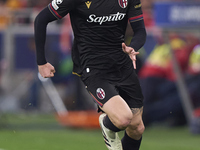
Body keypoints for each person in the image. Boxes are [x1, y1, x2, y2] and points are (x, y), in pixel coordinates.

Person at [34, 0, 146, 150]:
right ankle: (107, 124)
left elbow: (140, 30)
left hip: (121, 65)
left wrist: (133, 47)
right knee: (123, 119)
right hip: (93, 67)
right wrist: (42, 62)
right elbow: (41, 19)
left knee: (137, 127)